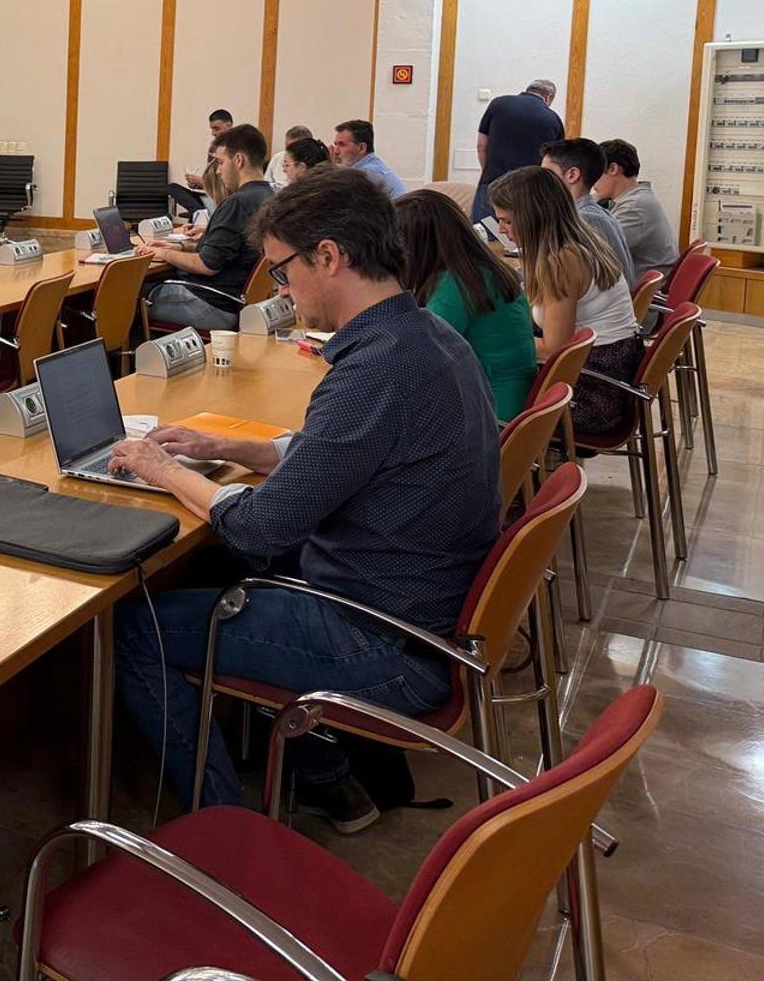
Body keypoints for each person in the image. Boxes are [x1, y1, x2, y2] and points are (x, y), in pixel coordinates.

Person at [110, 167, 500, 827]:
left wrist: (163, 469)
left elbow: (259, 527)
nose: (280, 289)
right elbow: (346, 454)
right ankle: (328, 779)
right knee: (222, 569)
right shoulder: (429, 337)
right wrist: (228, 447)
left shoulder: (375, 369)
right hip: (419, 611)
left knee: (134, 626)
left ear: (328, 256)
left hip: (384, 644)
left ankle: (224, 830)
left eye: (282, 271)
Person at [489, 165, 642, 436]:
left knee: (481, 392)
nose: (501, 230)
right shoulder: (579, 240)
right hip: (607, 369)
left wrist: (493, 339)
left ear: (534, 216)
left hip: (593, 394)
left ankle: (510, 457)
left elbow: (553, 349)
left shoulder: (560, 260)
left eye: (508, 221)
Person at [395, 189, 538, 421]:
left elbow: (416, 358)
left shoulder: (457, 285)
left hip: (490, 415)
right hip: (506, 401)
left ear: (417, 245)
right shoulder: (479, 269)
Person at [140, 123, 273, 329]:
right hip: (235, 301)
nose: (218, 171)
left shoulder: (237, 203)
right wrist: (181, 247)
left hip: (210, 304)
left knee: (127, 294)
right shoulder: (268, 196)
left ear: (238, 160)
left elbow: (207, 265)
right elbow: (228, 249)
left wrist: (164, 254)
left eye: (220, 162)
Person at [540, 138, 636, 288]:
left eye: (546, 174)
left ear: (572, 175)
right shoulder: (597, 213)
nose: (540, 181)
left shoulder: (585, 219)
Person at [474, 79, 564, 222]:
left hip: (492, 182)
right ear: (549, 97)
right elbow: (555, 162)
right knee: (522, 233)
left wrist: (488, 172)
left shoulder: (498, 104)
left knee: (484, 231)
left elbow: (481, 146)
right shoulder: (553, 119)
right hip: (530, 191)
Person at [595, 138, 679, 274]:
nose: (592, 180)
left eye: (594, 172)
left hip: (641, 283)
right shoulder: (639, 198)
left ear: (613, 169)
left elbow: (596, 248)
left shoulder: (634, 208)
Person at [172, 109, 233, 216]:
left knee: (199, 209)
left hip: (226, 198)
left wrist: (203, 183)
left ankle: (200, 214)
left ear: (229, 126)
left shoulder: (236, 148)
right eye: (211, 129)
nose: (213, 133)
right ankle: (200, 213)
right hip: (210, 195)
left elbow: (231, 185)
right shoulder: (213, 146)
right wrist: (198, 184)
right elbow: (211, 178)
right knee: (172, 188)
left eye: (216, 128)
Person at [331, 119, 407, 197]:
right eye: (335, 144)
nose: (336, 151)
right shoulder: (371, 167)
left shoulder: (367, 173)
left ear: (362, 148)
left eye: (342, 144)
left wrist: (328, 166)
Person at [266, 125, 312, 190]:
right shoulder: (277, 157)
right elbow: (266, 182)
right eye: (287, 147)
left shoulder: (314, 163)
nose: (288, 151)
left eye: (293, 148)